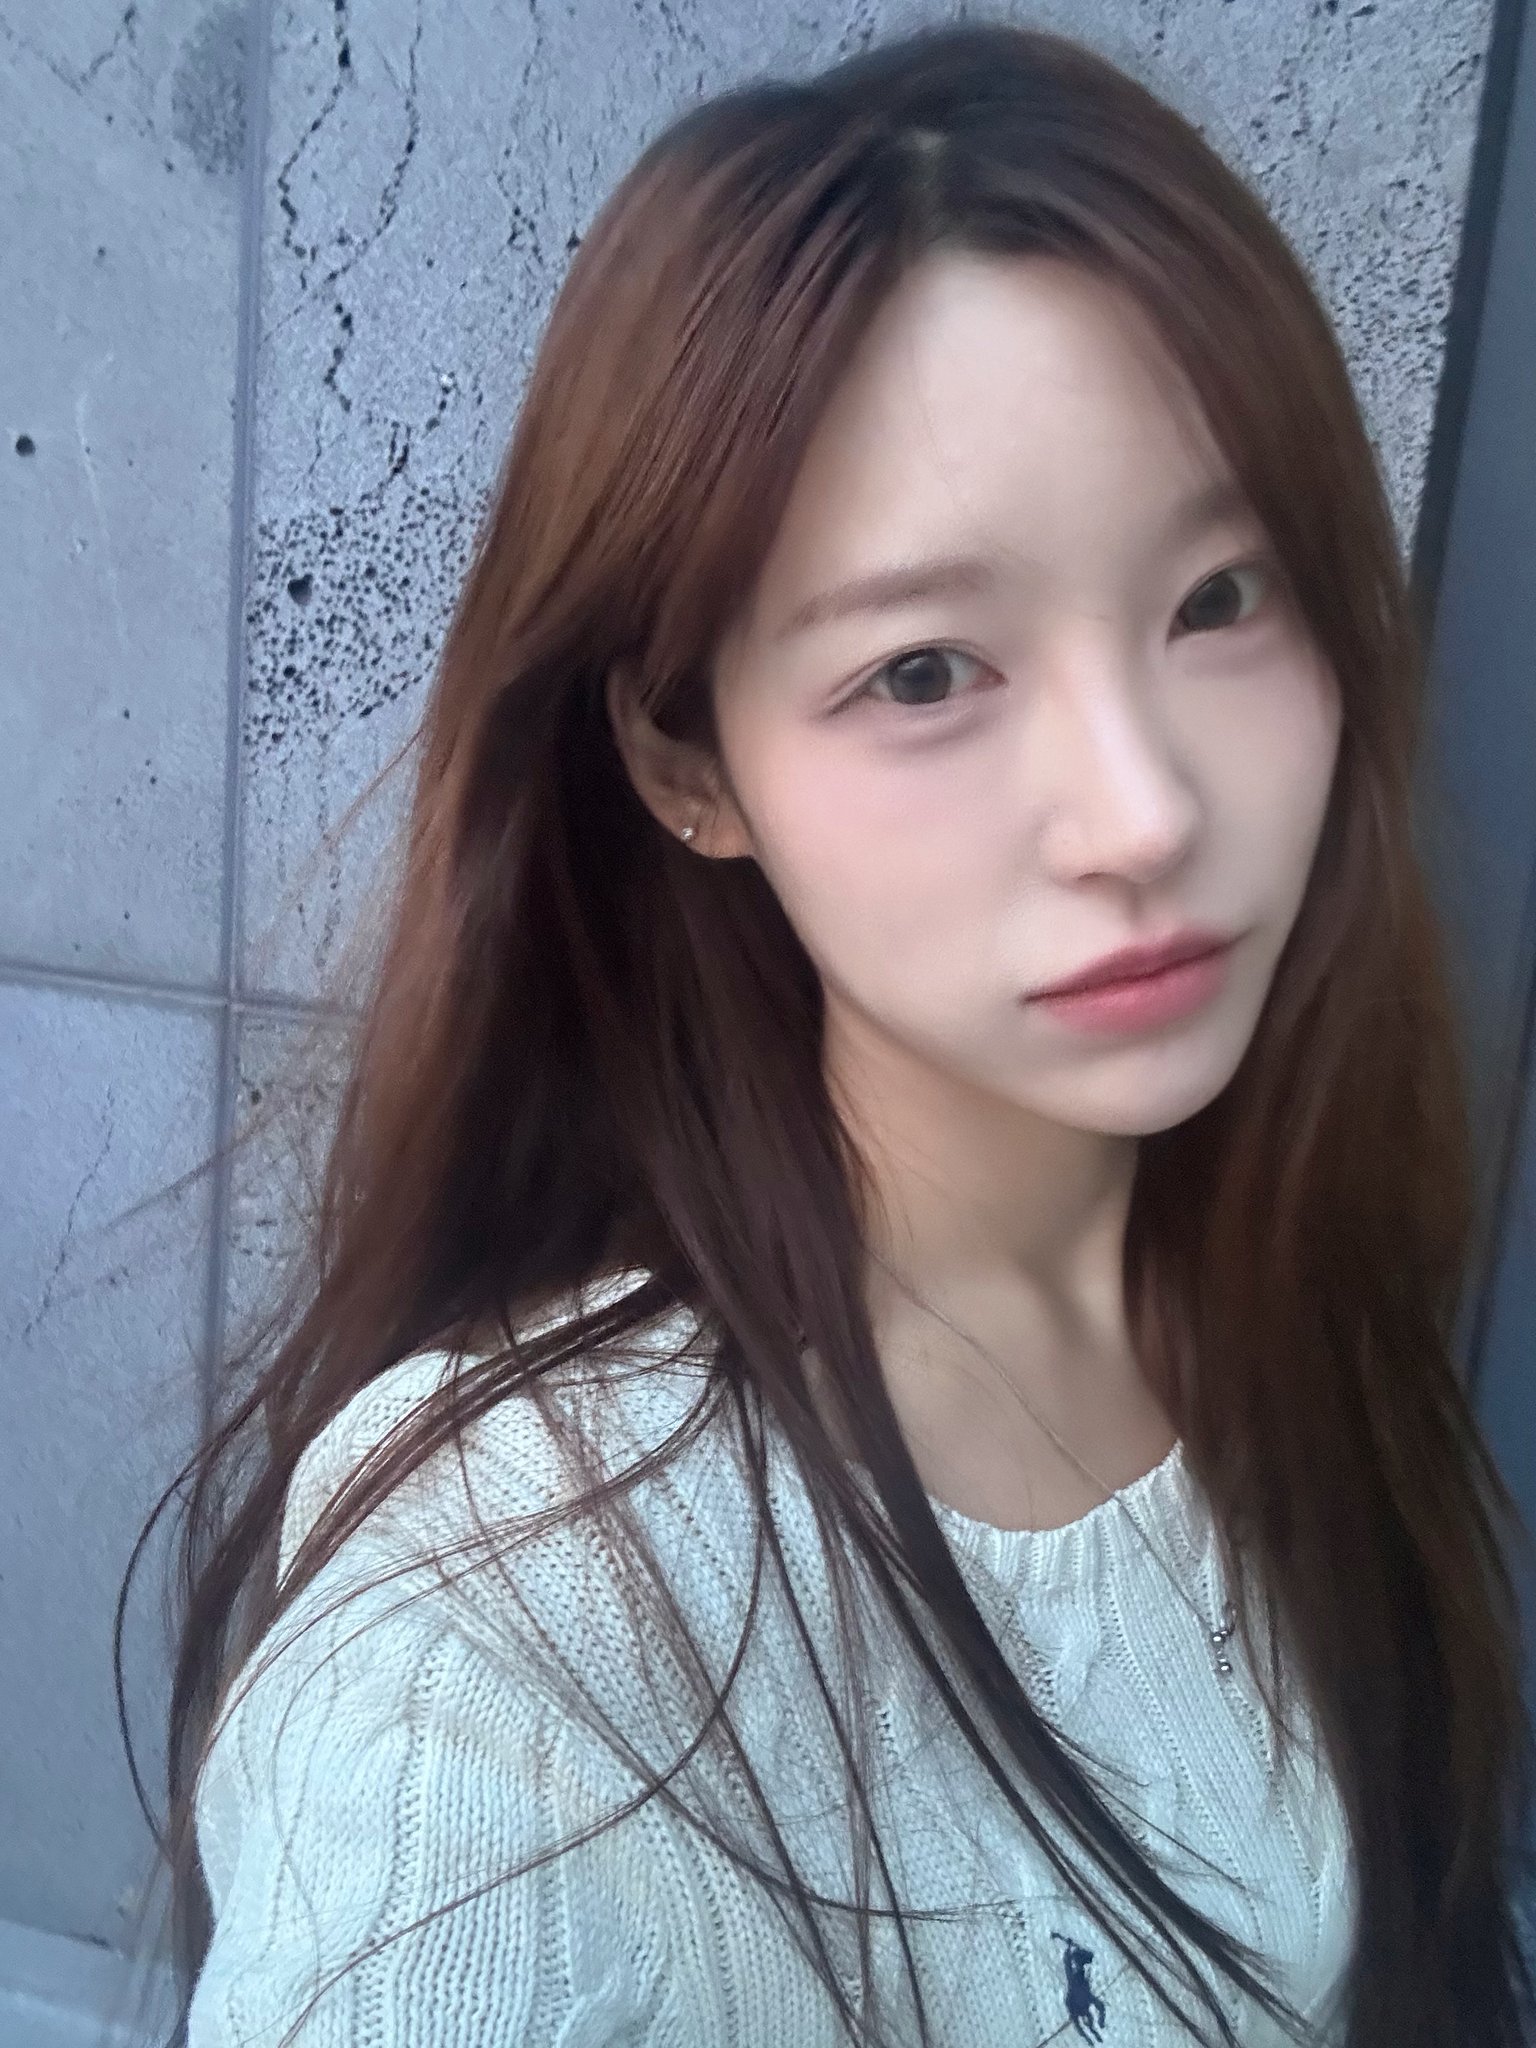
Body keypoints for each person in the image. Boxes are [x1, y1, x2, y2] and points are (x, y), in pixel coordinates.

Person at [131, 20, 1536, 2048]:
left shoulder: (1266, 1278)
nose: (1145, 810)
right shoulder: (503, 1649)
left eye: (1222, 597)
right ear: (685, 761)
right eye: (928, 670)